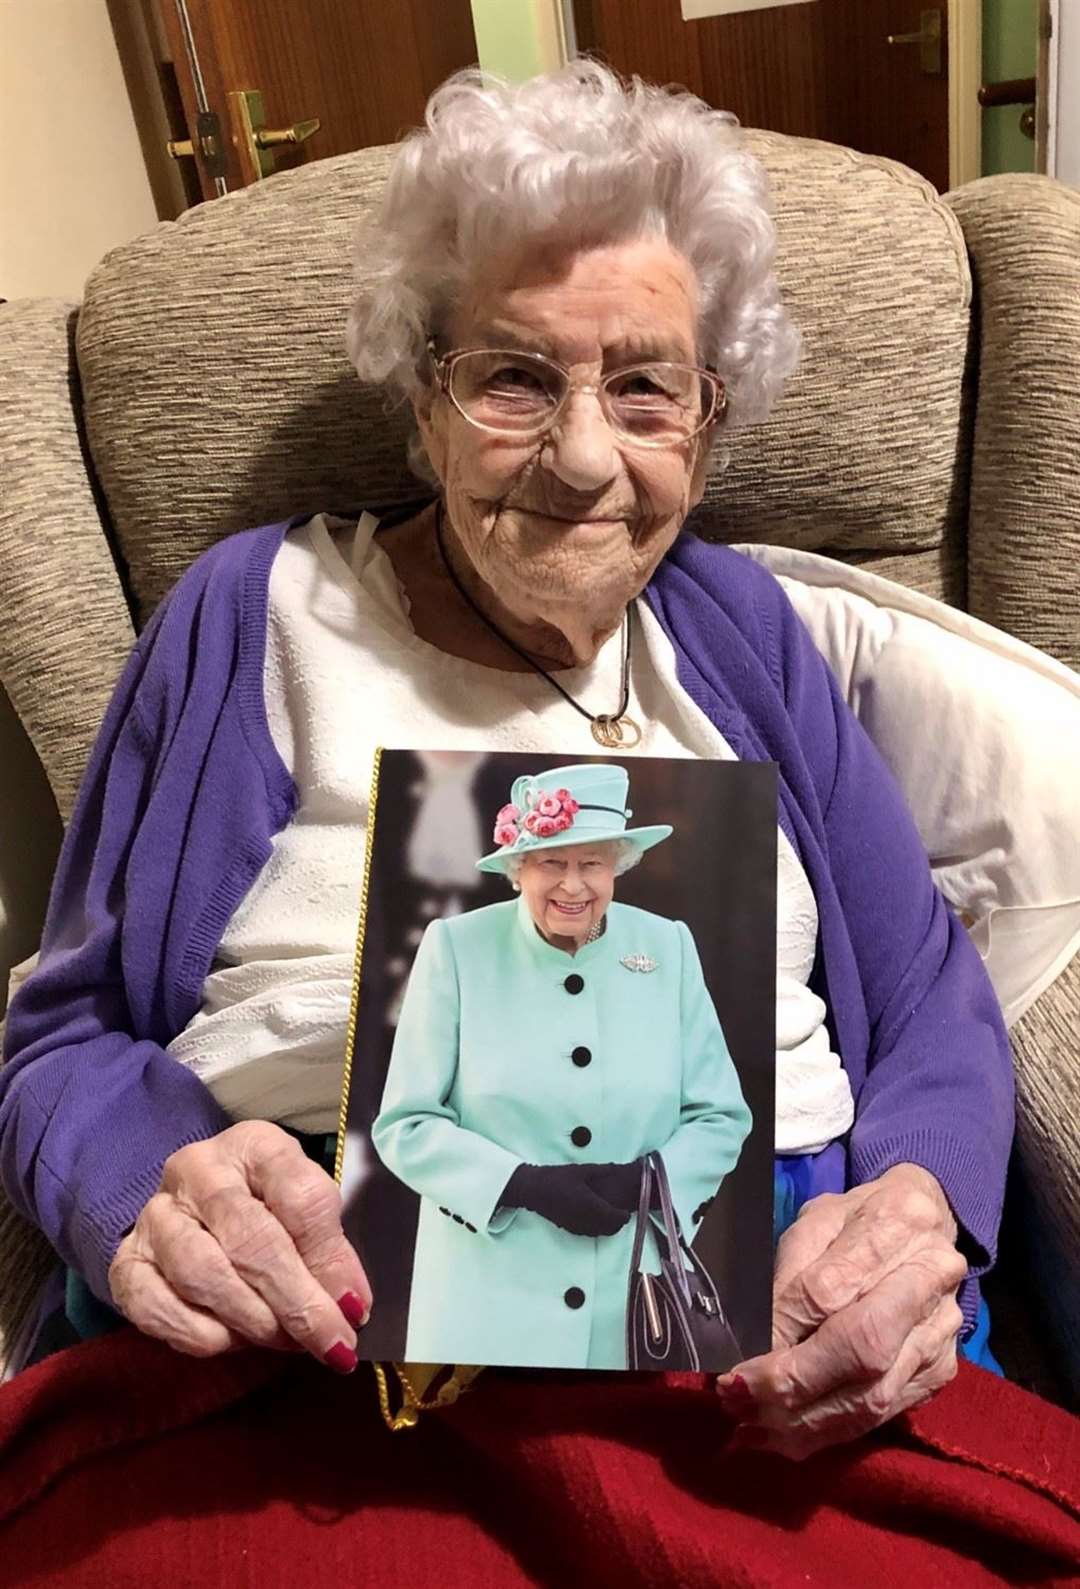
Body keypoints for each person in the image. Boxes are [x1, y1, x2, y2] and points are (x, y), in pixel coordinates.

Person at [0, 61, 1010, 1458]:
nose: (586, 458)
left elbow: (929, 992)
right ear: (423, 401)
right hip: (313, 1326)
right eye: (516, 380)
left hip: (757, 1325)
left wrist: (915, 1206)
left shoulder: (743, 633)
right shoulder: (252, 615)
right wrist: (141, 1182)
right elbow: (60, 1031)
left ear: (707, 426)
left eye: (645, 387)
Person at [371, 761, 751, 1368]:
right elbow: (405, 1125)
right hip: (486, 1304)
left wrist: (653, 1183)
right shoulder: (456, 949)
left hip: (631, 1302)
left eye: (591, 863)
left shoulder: (668, 948)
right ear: (519, 866)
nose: (573, 886)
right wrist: (520, 1185)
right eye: (552, 862)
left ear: (617, 867)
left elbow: (720, 1115)